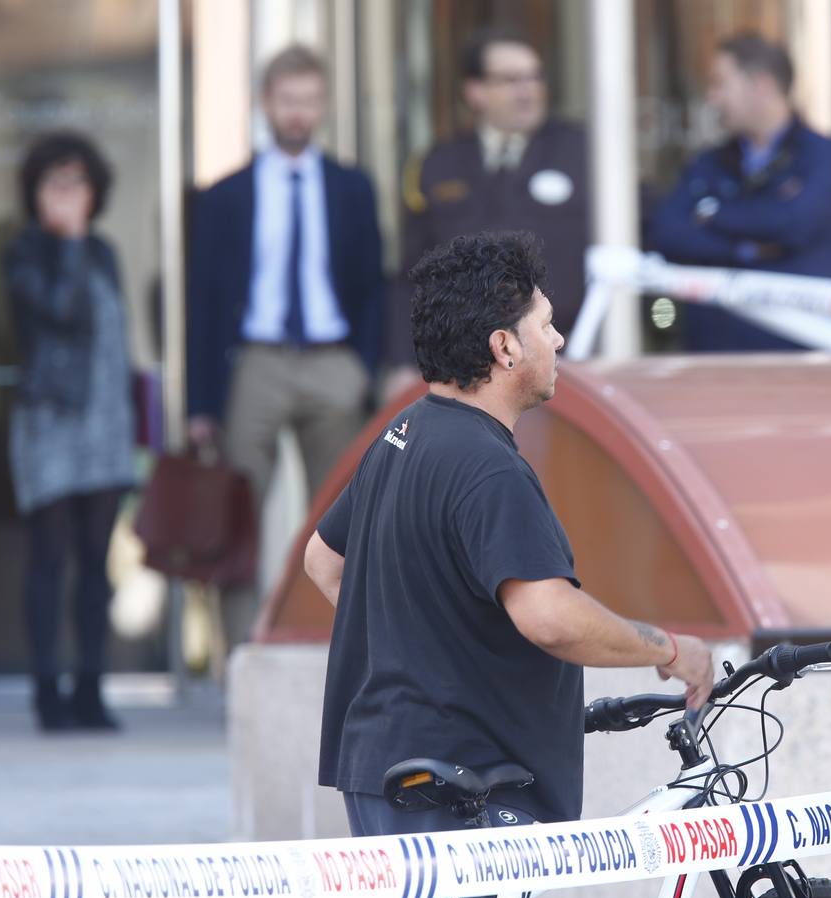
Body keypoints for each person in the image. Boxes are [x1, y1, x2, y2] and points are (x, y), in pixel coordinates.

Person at [304, 231, 714, 837]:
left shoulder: (404, 433)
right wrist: (672, 650)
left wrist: (425, 653)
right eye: (545, 324)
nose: (558, 339)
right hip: (464, 787)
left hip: (386, 770)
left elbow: (323, 562)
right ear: (504, 347)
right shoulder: (489, 468)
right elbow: (549, 615)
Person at [186, 45, 384, 647]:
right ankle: (241, 656)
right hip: (257, 362)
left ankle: (334, 651)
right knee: (239, 514)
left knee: (344, 518)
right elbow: (202, 303)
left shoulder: (352, 188)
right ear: (266, 104)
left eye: (308, 101)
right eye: (287, 100)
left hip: (333, 362)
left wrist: (364, 369)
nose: (298, 113)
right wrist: (200, 404)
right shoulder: (225, 196)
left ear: (322, 106)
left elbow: (374, 284)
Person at [5, 132, 135, 731]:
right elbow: (62, 310)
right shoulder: (24, 253)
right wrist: (69, 242)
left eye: (77, 182)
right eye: (54, 183)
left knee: (95, 563)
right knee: (48, 560)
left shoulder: (104, 251)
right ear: (34, 192)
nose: (67, 194)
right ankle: (45, 692)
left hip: (105, 423)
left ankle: (90, 687)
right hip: (50, 422)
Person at [386, 27, 588, 396]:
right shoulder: (437, 165)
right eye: (511, 80)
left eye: (535, 77)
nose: (528, 91)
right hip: (465, 370)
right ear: (475, 91)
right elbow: (409, 276)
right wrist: (402, 363)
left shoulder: (583, 153)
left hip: (568, 362)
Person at [648, 32, 831, 351]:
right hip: (714, 357)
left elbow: (794, 225)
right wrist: (745, 250)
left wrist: (712, 215)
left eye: (720, 84)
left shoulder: (828, 157)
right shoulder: (709, 163)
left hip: (804, 358)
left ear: (762, 84)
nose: (712, 98)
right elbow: (666, 232)